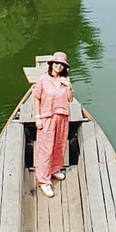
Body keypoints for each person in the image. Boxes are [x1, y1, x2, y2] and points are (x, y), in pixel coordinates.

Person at [33, 51, 73, 198]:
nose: (59, 66)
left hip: (62, 116)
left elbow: (70, 99)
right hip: (47, 117)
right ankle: (44, 180)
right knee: (45, 149)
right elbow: (36, 98)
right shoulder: (43, 79)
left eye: (62, 65)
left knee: (59, 145)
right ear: (51, 64)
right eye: (56, 63)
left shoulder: (65, 80)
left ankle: (55, 169)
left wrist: (68, 86)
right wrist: (38, 117)